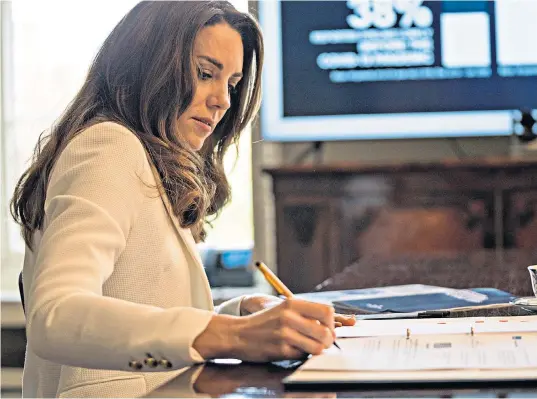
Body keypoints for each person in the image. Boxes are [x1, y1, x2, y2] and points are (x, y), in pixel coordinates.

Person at [10, 1, 355, 397]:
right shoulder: (108, 147)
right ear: (147, 66)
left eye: (231, 83)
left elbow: (136, 299)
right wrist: (233, 335)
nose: (223, 100)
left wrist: (238, 315)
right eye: (206, 73)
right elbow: (56, 317)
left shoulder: (143, 157)